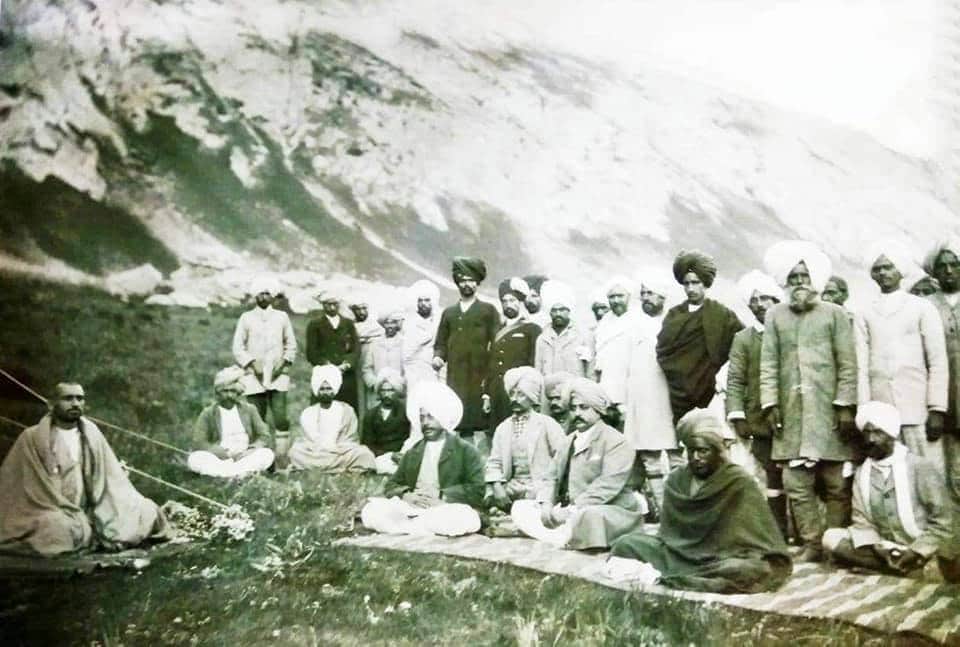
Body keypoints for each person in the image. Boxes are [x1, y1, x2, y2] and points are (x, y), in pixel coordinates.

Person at [610, 409, 792, 593]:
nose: (696, 458)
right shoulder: (677, 480)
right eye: (691, 450)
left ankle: (679, 576)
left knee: (749, 569)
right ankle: (686, 574)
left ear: (717, 450)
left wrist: (733, 553)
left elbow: (758, 541)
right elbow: (669, 536)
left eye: (703, 451)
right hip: (678, 554)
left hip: (721, 558)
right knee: (625, 544)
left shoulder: (738, 481)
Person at [760, 240, 858, 562]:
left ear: (815, 279)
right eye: (793, 277)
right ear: (784, 282)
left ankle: (836, 544)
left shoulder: (835, 314)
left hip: (828, 410)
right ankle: (812, 544)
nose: (799, 282)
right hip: (790, 413)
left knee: (835, 483)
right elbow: (769, 364)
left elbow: (847, 363)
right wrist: (770, 403)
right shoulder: (775, 315)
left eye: (804, 276)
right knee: (795, 482)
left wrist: (844, 406)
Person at [0, 383, 170, 556]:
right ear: (51, 404)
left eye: (79, 398)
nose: (75, 403)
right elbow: (21, 484)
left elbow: (110, 476)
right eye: (68, 398)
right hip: (50, 507)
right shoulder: (32, 437)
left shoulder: (91, 433)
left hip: (95, 504)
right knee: (58, 529)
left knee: (146, 510)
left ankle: (98, 530)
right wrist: (60, 507)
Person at [822, 402, 959, 582]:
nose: (871, 439)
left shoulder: (919, 467)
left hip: (922, 545)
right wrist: (878, 548)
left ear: (892, 435)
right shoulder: (863, 473)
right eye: (867, 432)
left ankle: (906, 565)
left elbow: (944, 521)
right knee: (830, 538)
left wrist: (916, 551)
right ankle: (901, 567)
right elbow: (862, 521)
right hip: (886, 546)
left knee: (948, 556)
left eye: (878, 432)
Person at [512, 378, 645, 550]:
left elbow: (607, 486)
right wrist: (546, 505)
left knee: (589, 517)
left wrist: (570, 510)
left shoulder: (617, 442)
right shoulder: (569, 441)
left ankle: (567, 535)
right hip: (570, 510)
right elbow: (550, 478)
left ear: (598, 410)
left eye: (584, 407)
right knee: (520, 508)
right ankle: (567, 536)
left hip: (609, 509)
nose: (577, 413)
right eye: (573, 408)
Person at [856, 241, 948, 468]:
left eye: (888, 267)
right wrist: (865, 409)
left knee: (928, 469)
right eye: (877, 269)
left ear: (900, 270)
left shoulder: (922, 308)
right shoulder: (864, 311)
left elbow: (937, 361)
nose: (883, 272)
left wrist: (937, 408)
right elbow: (861, 364)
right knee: (890, 471)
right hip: (882, 410)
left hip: (918, 408)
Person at [361, 382, 485, 536]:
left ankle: (413, 526)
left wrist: (442, 495)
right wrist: (406, 495)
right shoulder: (414, 451)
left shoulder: (466, 450)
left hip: (445, 507)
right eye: (422, 417)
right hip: (414, 507)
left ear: (443, 417)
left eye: (431, 417)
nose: (425, 423)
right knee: (371, 511)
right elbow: (392, 484)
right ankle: (419, 526)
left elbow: (477, 490)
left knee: (464, 518)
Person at [725, 271, 788, 539]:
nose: (760, 305)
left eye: (765, 299)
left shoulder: (790, 331)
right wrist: (737, 414)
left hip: (793, 415)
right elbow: (736, 379)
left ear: (776, 300)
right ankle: (777, 530)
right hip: (760, 418)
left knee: (798, 476)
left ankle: (804, 530)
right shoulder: (744, 338)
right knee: (771, 474)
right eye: (754, 301)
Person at [657, 250, 743, 423]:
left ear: (705, 283)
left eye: (695, 283)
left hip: (710, 391)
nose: (690, 289)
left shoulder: (722, 315)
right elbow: (663, 352)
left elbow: (740, 346)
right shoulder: (674, 315)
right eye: (686, 284)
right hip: (676, 395)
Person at [624, 271, 681, 510]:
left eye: (651, 293)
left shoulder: (675, 323)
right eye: (643, 294)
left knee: (677, 454)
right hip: (643, 400)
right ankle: (661, 511)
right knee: (650, 457)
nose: (646, 298)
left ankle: (681, 510)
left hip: (671, 398)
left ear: (662, 297)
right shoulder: (633, 325)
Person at [433, 257, 500, 443]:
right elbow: (440, 343)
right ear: (457, 283)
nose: (467, 284)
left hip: (480, 375)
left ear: (477, 283)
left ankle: (479, 458)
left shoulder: (488, 310)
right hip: (456, 375)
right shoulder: (449, 313)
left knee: (479, 420)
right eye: (462, 280)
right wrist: (438, 357)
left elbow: (497, 344)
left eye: (471, 280)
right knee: (456, 416)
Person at [484, 368, 566, 510]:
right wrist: (497, 487)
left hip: (541, 487)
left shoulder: (547, 424)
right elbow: (494, 462)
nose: (515, 399)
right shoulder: (503, 428)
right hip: (511, 486)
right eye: (512, 394)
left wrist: (542, 487)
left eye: (521, 394)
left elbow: (562, 459)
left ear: (532, 396)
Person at [232, 276, 297, 439]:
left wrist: (282, 364)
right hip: (254, 376)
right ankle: (260, 456)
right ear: (255, 296)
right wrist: (253, 365)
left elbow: (291, 344)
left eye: (267, 294)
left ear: (273, 296)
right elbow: (237, 347)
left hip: (278, 374)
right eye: (260, 294)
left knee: (281, 419)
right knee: (257, 419)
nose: (263, 297)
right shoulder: (246, 317)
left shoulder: (282, 316)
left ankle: (281, 458)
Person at [923, 238, 960, 505]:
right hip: (942, 398)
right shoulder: (925, 305)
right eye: (942, 266)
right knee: (948, 471)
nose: (948, 271)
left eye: (954, 265)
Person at [188, 367, 275, 478]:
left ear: (238, 392)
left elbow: (264, 435)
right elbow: (199, 441)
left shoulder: (249, 410)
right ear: (218, 393)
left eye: (233, 391)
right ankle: (237, 474)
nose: (229, 395)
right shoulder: (208, 413)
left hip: (245, 457)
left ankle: (228, 474)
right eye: (225, 391)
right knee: (194, 458)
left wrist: (250, 450)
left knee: (267, 454)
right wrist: (221, 453)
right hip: (220, 459)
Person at [287, 366, 376, 472]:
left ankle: (319, 467)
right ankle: (338, 467)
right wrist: (323, 448)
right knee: (295, 452)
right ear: (317, 391)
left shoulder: (346, 410)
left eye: (328, 389)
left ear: (334, 390)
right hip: (316, 452)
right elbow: (308, 440)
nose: (325, 392)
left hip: (340, 451)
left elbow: (351, 438)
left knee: (364, 454)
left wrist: (336, 448)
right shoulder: (309, 413)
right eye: (322, 389)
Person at [485, 278, 542, 429]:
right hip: (497, 391)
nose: (508, 304)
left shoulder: (532, 329)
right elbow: (491, 362)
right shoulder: (496, 330)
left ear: (521, 302)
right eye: (505, 301)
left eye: (513, 300)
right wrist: (486, 394)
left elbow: (534, 364)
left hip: (519, 393)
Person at [594, 277, 640, 423]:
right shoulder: (604, 323)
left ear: (629, 296)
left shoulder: (639, 319)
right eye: (612, 297)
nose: (616, 301)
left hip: (632, 382)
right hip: (608, 381)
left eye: (620, 296)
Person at [306, 290, 360, 412]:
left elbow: (356, 348)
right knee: (323, 408)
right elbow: (311, 353)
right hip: (324, 375)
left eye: (335, 304)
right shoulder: (314, 325)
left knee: (347, 409)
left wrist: (347, 364)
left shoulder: (348, 324)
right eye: (327, 304)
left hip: (346, 375)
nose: (331, 307)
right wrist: (327, 365)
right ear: (322, 305)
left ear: (339, 304)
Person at [535, 280, 591, 378]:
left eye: (562, 310)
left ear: (569, 311)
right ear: (550, 312)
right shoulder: (542, 338)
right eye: (554, 310)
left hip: (574, 390)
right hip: (549, 390)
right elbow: (538, 369)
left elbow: (590, 368)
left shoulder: (582, 336)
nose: (558, 314)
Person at [362, 368, 410, 459]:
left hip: (403, 456)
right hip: (379, 457)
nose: (387, 394)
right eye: (383, 391)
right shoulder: (371, 415)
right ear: (379, 392)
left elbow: (412, 439)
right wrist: (387, 455)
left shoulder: (406, 411)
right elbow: (368, 444)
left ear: (397, 391)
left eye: (391, 390)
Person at [361, 311, 405, 412]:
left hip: (399, 392)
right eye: (387, 323)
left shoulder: (405, 343)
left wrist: (401, 383)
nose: (390, 326)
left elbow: (409, 367)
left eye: (393, 322)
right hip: (378, 392)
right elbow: (366, 368)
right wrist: (375, 383)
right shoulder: (374, 344)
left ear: (397, 324)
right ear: (383, 325)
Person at [350, 299, 385, 420]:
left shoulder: (376, 327)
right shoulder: (350, 326)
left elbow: (381, 339)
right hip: (356, 363)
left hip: (373, 362)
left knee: (373, 395)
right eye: (358, 309)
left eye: (364, 308)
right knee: (358, 397)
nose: (361, 312)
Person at [402, 279, 441, 388]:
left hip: (432, 370)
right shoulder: (408, 323)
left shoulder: (438, 322)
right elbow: (407, 351)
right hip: (412, 370)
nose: (423, 304)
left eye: (427, 300)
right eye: (420, 300)